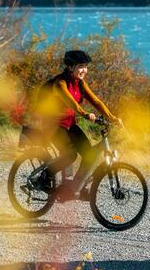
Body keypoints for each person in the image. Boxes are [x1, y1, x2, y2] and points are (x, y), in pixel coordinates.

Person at [34, 50, 122, 201]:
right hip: (52, 125)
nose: (84, 70)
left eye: (86, 67)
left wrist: (112, 117)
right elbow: (71, 103)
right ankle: (44, 178)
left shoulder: (80, 84)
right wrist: (85, 114)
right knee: (70, 155)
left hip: (69, 124)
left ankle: (76, 187)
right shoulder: (60, 83)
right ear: (70, 66)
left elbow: (96, 101)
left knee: (89, 155)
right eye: (81, 66)